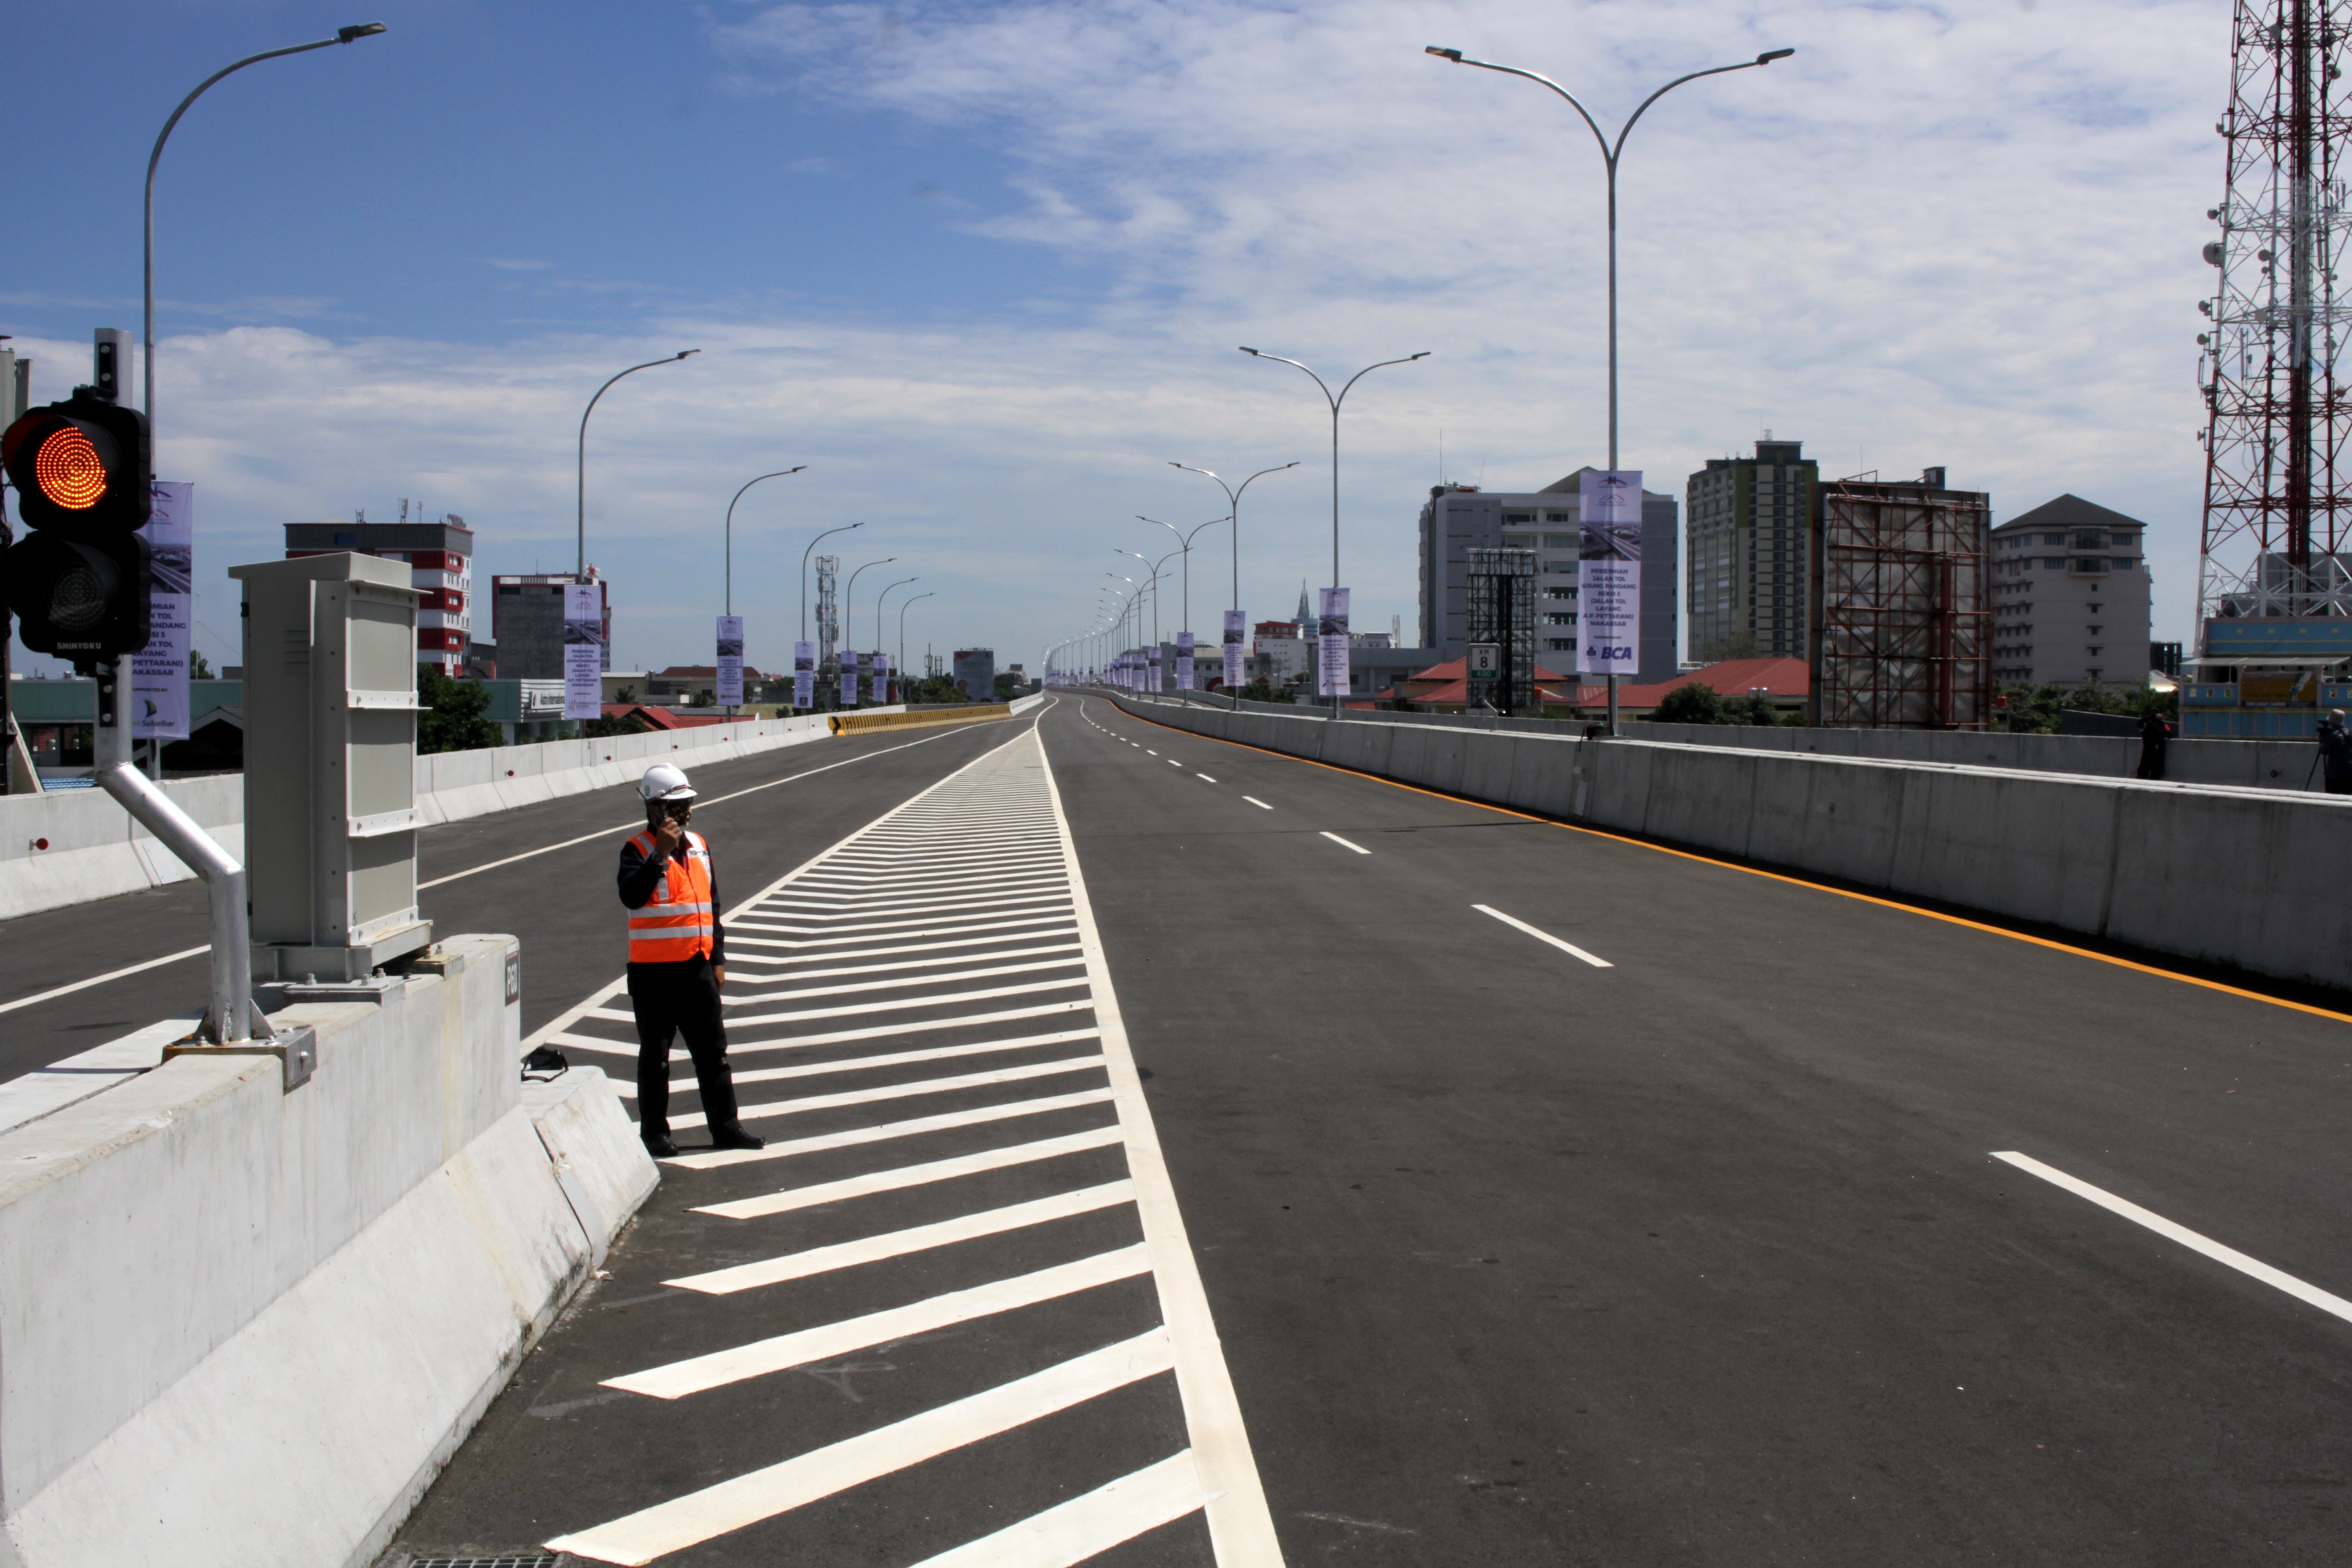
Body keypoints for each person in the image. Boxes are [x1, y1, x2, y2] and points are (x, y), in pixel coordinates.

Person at [617, 763, 762, 1157]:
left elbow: (711, 906)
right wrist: (660, 856)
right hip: (654, 975)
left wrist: (717, 958)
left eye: (688, 804)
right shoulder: (637, 850)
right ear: (655, 809)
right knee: (656, 1059)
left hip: (697, 968)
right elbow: (631, 896)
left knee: (713, 1054)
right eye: (676, 806)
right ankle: (655, 1135)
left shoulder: (699, 845)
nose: (685, 812)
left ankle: (726, 1128)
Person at [2320, 710, 2352, 796]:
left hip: (2335, 774)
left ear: (2332, 721)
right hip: (2349, 773)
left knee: (2332, 797)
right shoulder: (2348, 732)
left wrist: (2322, 741)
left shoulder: (2333, 735)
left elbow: (2324, 751)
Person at [2135, 708, 2172, 780]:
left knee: (2157, 768)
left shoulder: (2162, 723)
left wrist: (2161, 727)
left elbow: (2169, 734)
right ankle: (2141, 779)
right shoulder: (2145, 723)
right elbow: (2139, 724)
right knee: (2145, 766)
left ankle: (2154, 779)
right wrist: (2148, 719)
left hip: (2159, 750)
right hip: (2148, 749)